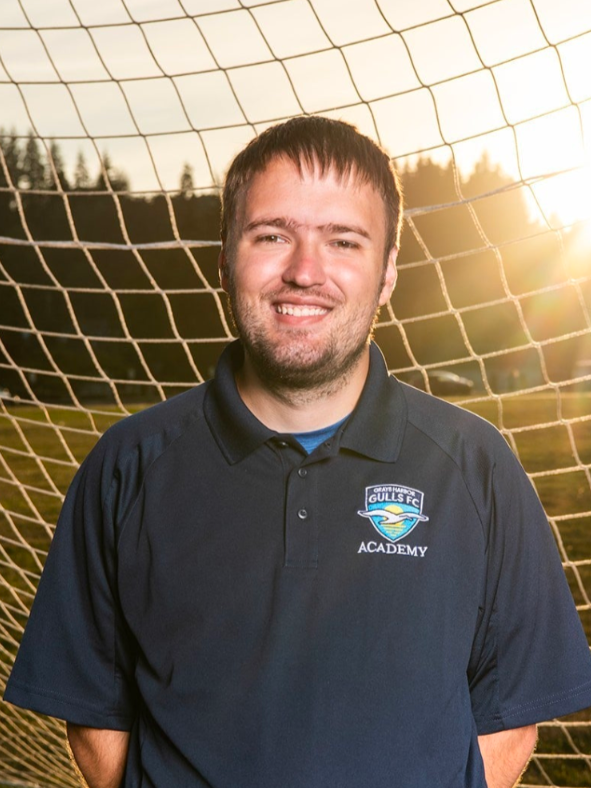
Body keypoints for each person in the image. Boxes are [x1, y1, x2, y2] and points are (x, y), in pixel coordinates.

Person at [4, 116, 591, 788]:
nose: (304, 272)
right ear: (225, 258)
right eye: (272, 236)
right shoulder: (126, 465)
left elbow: (509, 714)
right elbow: (95, 712)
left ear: (387, 272)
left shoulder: (477, 465)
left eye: (343, 241)